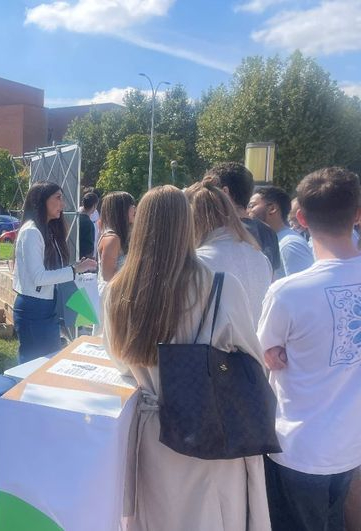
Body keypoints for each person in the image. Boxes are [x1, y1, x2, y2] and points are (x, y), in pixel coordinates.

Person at [104, 185, 271, 531]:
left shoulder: (117, 290)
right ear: (186, 225)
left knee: (156, 518)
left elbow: (119, 362)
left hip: (151, 435)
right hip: (207, 432)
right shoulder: (219, 286)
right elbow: (252, 361)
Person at [257, 167, 361, 531]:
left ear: (299, 217)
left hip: (298, 448)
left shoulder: (288, 292)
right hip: (349, 445)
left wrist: (274, 352)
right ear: (358, 213)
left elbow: (264, 353)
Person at [12, 182, 96, 364]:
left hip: (46, 306)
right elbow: (39, 278)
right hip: (34, 309)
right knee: (34, 367)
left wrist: (75, 267)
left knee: (46, 364)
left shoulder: (46, 230)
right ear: (41, 201)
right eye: (58, 198)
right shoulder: (31, 232)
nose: (63, 204)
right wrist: (74, 270)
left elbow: (49, 271)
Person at [185, 181, 272, 325]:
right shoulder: (261, 258)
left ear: (192, 218)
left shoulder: (198, 261)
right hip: (256, 345)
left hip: (214, 346)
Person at [202, 162, 282, 272]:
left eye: (209, 192)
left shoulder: (218, 233)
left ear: (225, 192)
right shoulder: (269, 232)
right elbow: (272, 279)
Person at [248, 186, 313, 278]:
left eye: (252, 206)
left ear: (272, 208)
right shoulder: (273, 240)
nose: (247, 211)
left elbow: (305, 287)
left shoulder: (290, 244)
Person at [97, 191, 135, 290]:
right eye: (132, 205)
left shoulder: (119, 236)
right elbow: (108, 276)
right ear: (121, 210)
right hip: (111, 296)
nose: (135, 209)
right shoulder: (112, 239)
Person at [78, 192, 97, 258]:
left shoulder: (75, 219)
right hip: (83, 261)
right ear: (94, 206)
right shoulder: (88, 224)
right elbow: (88, 249)